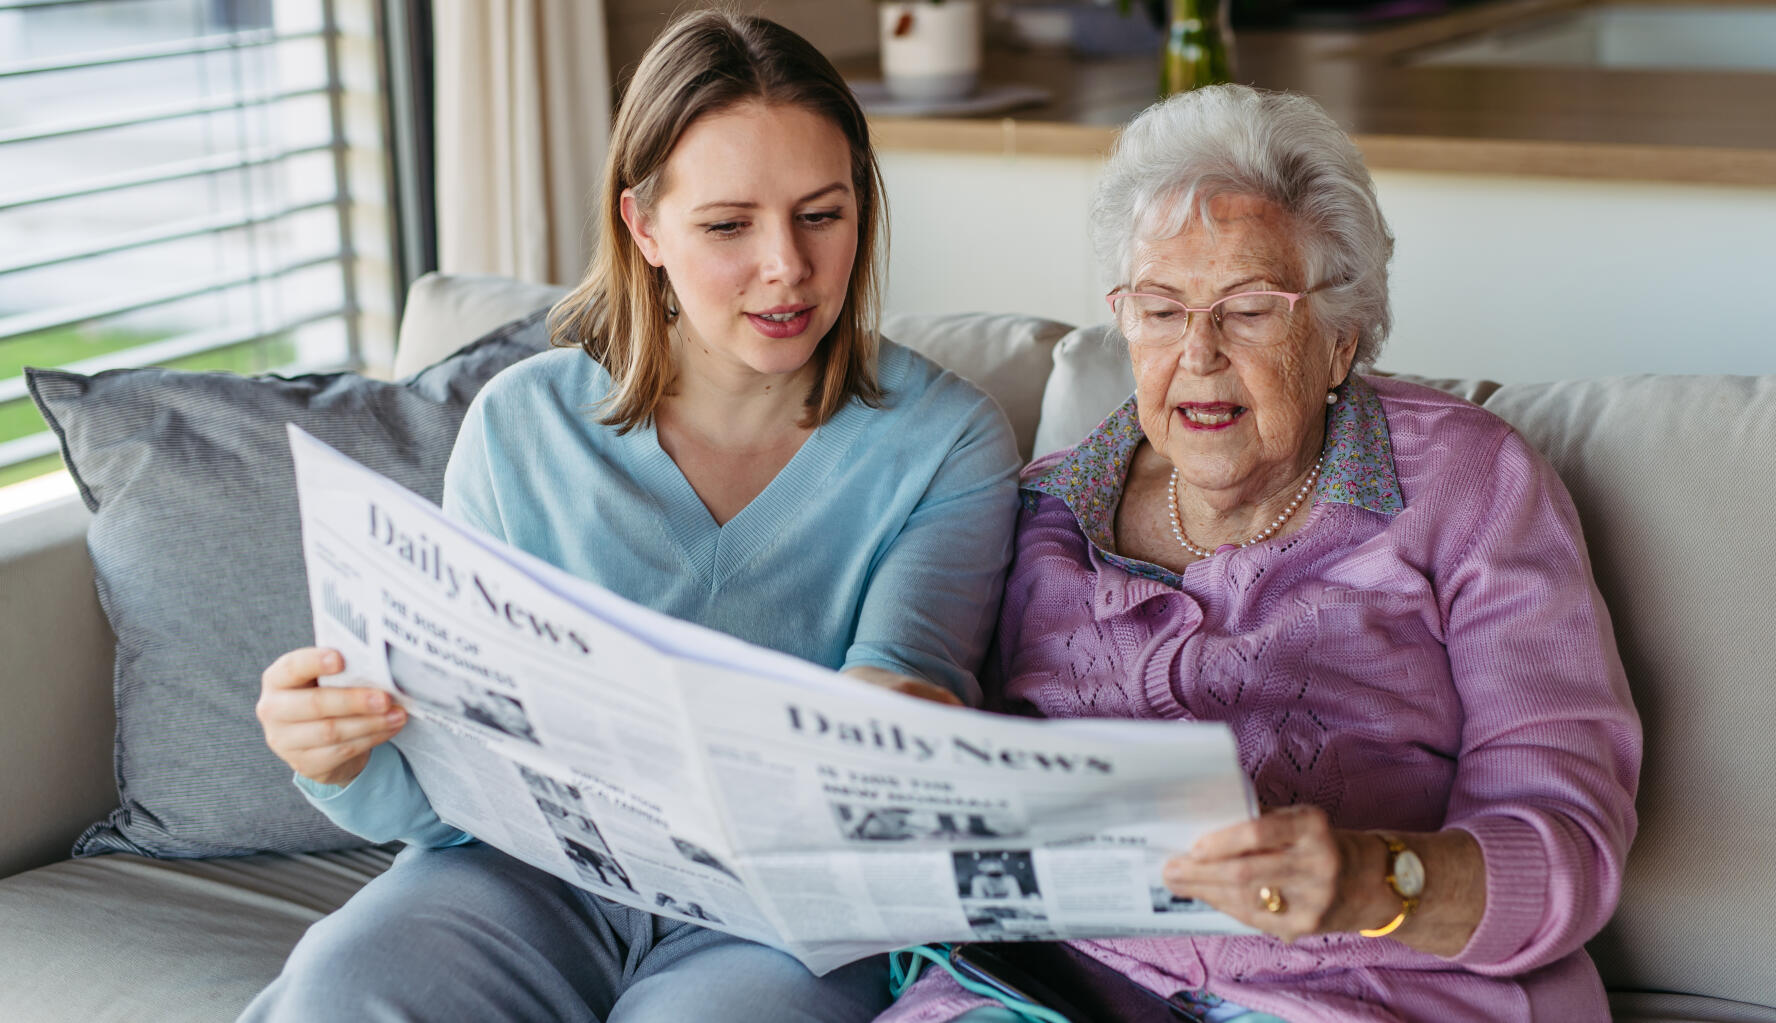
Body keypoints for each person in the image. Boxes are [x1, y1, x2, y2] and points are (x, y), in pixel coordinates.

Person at [244, 13, 1020, 1022]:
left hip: (778, 910)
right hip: (526, 877)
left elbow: (901, 690)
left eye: (820, 215)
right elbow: (447, 793)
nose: (785, 265)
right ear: (644, 229)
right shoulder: (522, 425)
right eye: (728, 225)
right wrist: (337, 753)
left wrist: (902, 729)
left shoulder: (946, 441)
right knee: (340, 985)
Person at [882, 84, 1641, 1023]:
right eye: (1161, 310)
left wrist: (1371, 878)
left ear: (1338, 342)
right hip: (1054, 991)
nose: (1196, 353)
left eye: (1246, 310)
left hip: (1362, 994)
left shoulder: (1471, 485)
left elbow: (1567, 840)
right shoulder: (1039, 511)